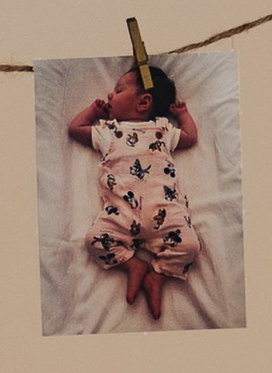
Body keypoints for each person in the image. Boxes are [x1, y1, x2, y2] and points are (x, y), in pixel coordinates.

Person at [68, 55, 200, 318]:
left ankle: (158, 276)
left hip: (165, 213)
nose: (110, 94)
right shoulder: (109, 130)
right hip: (121, 213)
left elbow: (190, 138)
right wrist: (93, 113)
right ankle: (133, 266)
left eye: (118, 90)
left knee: (190, 247)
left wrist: (183, 115)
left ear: (144, 102)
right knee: (94, 240)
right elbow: (75, 128)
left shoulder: (162, 129)